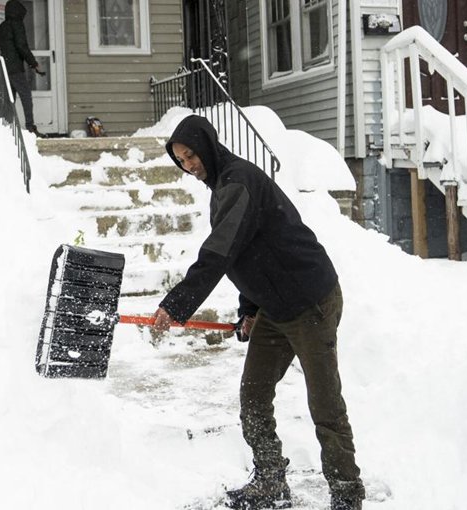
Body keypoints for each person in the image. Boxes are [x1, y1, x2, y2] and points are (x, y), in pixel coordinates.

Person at [149, 115, 365, 510]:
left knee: (325, 404)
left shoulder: (238, 181)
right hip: (275, 306)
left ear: (208, 146)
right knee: (254, 394)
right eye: (180, 159)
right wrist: (249, 308)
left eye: (191, 155)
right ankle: (270, 481)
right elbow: (249, 250)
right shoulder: (224, 185)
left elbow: (220, 251)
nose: (187, 165)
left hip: (309, 300)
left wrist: (176, 304)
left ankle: (347, 494)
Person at [0, 0, 42, 136]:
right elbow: (22, 46)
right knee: (26, 96)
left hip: (4, 69)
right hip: (15, 69)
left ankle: (7, 129)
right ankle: (30, 126)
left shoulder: (1, 27)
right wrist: (33, 63)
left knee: (9, 100)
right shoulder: (17, 25)